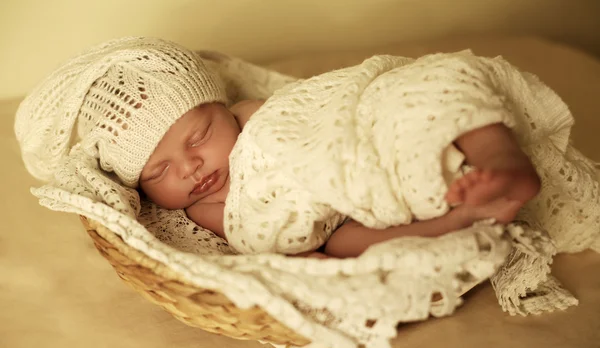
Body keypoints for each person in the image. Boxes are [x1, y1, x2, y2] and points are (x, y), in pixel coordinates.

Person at [16, 37, 544, 259]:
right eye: (158, 172)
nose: (191, 165)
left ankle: (500, 158)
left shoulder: (260, 114)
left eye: (198, 136)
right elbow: (264, 236)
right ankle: (453, 220)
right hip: (332, 210)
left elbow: (331, 106)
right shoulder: (204, 210)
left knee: (428, 81)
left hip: (361, 147)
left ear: (225, 105)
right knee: (336, 244)